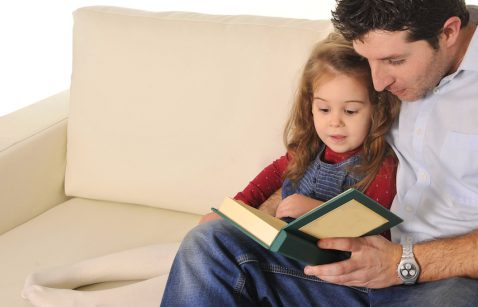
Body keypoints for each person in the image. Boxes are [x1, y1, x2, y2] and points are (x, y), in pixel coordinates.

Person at [162, 0, 478, 306]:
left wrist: (403, 264)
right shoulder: (386, 58)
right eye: (367, 60)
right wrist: (263, 213)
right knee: (211, 246)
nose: (378, 81)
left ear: (448, 32)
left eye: (393, 61)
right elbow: (317, 155)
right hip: (368, 268)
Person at [21, 32, 400, 307]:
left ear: (376, 109)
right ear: (309, 106)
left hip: (322, 270)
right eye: (323, 109)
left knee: (204, 265)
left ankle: (88, 302)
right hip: (277, 246)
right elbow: (270, 176)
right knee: (197, 243)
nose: (335, 123)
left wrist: (310, 210)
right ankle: (80, 273)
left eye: (350, 111)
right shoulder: (309, 149)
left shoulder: (379, 166)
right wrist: (234, 207)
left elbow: (372, 222)